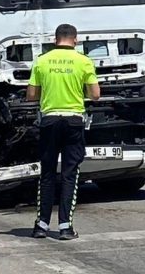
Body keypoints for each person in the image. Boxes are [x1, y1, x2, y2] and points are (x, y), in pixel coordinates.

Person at [26, 24, 100, 240]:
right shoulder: (84, 61)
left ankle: (41, 225)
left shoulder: (42, 60)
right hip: (74, 121)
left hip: (49, 121)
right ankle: (65, 227)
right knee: (70, 174)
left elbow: (31, 95)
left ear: (55, 39)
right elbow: (95, 94)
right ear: (75, 40)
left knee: (47, 173)